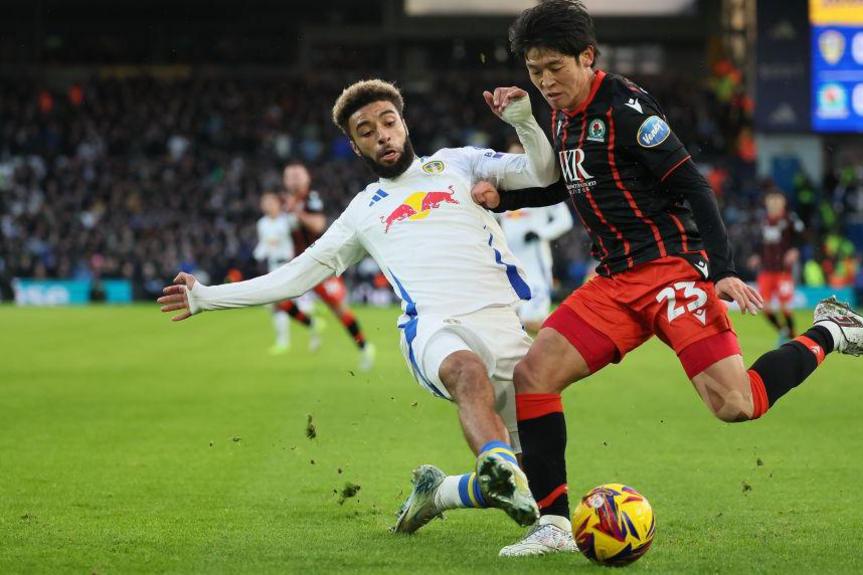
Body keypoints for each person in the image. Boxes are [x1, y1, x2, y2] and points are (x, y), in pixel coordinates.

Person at [471, 0, 863, 556]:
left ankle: (831, 332)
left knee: (736, 404)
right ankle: (553, 524)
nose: (546, 81)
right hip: (615, 281)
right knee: (533, 377)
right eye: (535, 72)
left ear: (587, 56)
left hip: (671, 270)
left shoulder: (625, 109)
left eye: (556, 67)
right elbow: (571, 182)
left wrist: (719, 271)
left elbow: (695, 185)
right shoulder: (560, 114)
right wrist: (506, 198)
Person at [157, 79, 561, 535]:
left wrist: (524, 120)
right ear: (355, 146)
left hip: (501, 324)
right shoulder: (362, 211)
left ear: (404, 125)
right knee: (466, 372)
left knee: (522, 474)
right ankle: (494, 461)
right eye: (366, 131)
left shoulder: (459, 163)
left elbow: (543, 174)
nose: (382, 135)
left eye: (388, 122)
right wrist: (208, 296)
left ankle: (439, 492)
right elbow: (297, 274)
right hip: (432, 328)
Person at [280, 162, 376, 371]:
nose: (295, 178)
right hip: (297, 263)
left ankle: (365, 347)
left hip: (319, 263)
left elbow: (318, 225)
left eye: (298, 174)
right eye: (291, 175)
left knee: (338, 309)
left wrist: (297, 213)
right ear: (285, 180)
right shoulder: (285, 202)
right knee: (277, 299)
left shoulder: (310, 199)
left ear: (307, 178)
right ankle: (312, 324)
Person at [496, 144, 574, 331]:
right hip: (509, 261)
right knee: (512, 321)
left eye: (518, 156)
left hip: (535, 261)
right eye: (510, 156)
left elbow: (565, 220)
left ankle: (563, 332)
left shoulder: (541, 189)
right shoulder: (500, 192)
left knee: (534, 321)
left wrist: (541, 233)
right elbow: (488, 220)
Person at [253, 191, 322, 354]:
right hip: (272, 266)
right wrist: (257, 254)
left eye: (270, 202)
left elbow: (303, 233)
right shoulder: (261, 223)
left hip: (289, 265)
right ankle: (288, 339)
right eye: (265, 203)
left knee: (286, 303)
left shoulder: (287, 220)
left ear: (278, 203)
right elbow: (264, 245)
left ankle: (311, 326)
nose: (267, 205)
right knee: (277, 305)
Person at [748, 189, 803, 344]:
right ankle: (783, 331)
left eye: (776, 203)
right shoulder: (763, 222)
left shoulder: (790, 220)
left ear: (782, 205)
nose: (773, 207)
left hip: (783, 271)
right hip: (766, 270)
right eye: (771, 204)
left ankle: (793, 336)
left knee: (785, 307)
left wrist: (794, 250)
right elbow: (758, 241)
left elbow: (800, 237)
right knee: (764, 308)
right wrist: (756, 255)